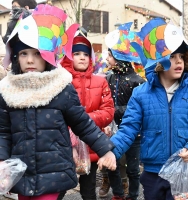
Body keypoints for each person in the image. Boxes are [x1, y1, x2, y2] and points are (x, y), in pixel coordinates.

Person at [0, 4, 116, 200]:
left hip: (54, 172)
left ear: (47, 56)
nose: (30, 60)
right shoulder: (8, 91)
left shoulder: (60, 88)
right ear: (16, 57)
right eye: (23, 53)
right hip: (22, 174)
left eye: (36, 53)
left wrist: (105, 150)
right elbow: (3, 131)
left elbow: (82, 124)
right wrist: (2, 160)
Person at [98, 18, 188, 200]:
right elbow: (128, 129)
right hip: (153, 173)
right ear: (159, 60)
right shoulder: (141, 94)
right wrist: (113, 151)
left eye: (182, 57)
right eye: (172, 56)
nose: (179, 62)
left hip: (183, 171)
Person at [58, 32, 115, 200]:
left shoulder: (100, 81)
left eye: (85, 54)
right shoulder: (61, 82)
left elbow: (108, 111)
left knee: (89, 190)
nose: (82, 58)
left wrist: (81, 120)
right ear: (69, 56)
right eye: (77, 53)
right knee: (58, 189)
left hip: (91, 143)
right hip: (65, 145)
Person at [100, 23, 146, 200]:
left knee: (133, 169)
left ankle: (133, 195)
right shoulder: (109, 78)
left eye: (110, 56)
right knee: (113, 165)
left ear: (119, 57)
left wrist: (113, 111)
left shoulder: (137, 81)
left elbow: (139, 109)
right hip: (111, 131)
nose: (107, 59)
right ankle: (118, 194)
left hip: (134, 134)